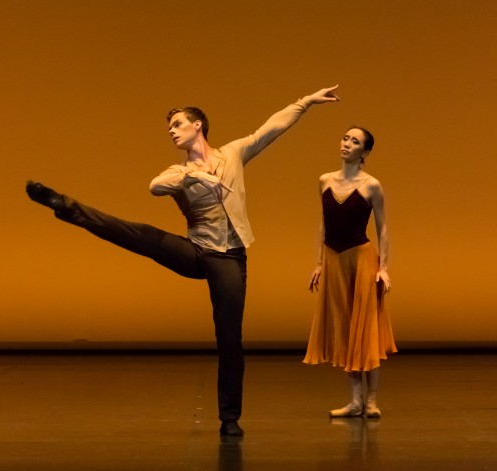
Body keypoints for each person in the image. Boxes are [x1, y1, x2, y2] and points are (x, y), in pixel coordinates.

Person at [25, 85, 340, 436]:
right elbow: (155, 186)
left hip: (228, 258)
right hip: (194, 252)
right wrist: (193, 175)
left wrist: (306, 102)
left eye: (177, 124)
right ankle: (65, 206)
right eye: (170, 128)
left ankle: (229, 418)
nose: (172, 132)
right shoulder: (177, 172)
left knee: (229, 337)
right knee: (140, 234)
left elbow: (271, 128)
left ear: (197, 125)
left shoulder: (233, 154)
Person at [303, 125, 397, 419]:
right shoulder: (324, 180)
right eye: (345, 138)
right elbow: (323, 224)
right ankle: (355, 401)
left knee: (365, 329)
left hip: (361, 259)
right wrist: (319, 263)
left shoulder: (372, 185)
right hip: (334, 260)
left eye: (354, 141)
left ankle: (372, 401)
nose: (346, 143)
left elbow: (382, 228)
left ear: (364, 152)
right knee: (345, 329)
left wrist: (384, 268)